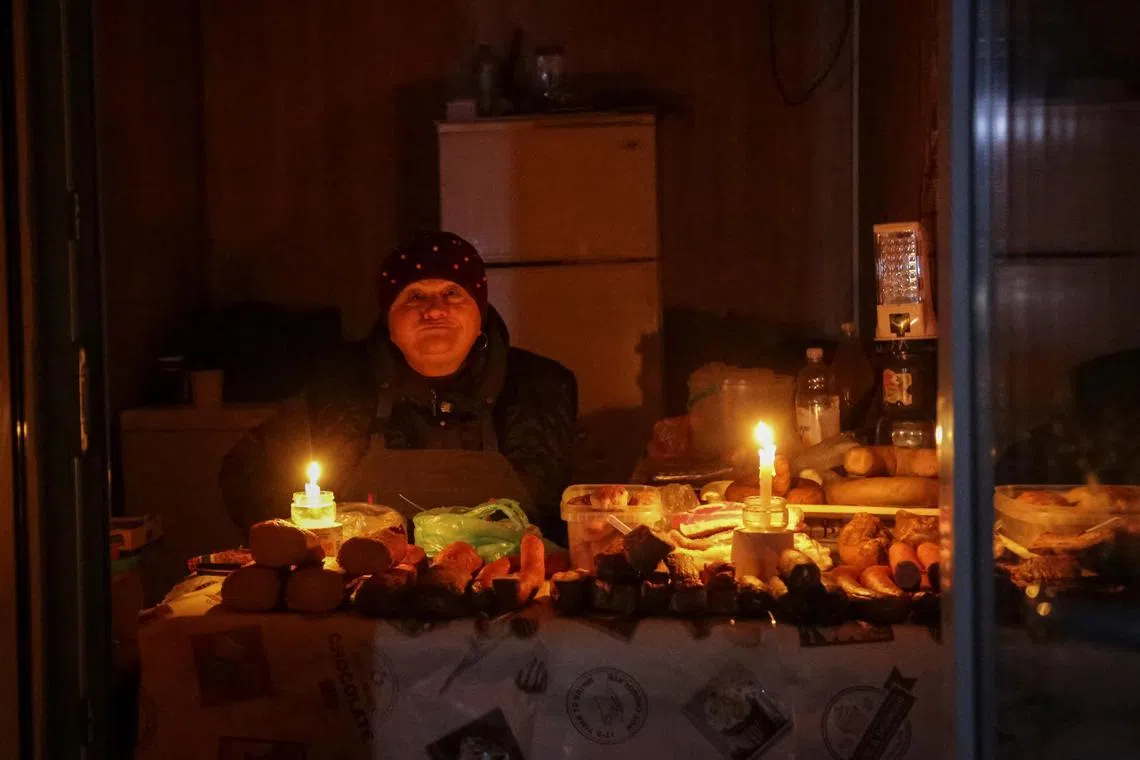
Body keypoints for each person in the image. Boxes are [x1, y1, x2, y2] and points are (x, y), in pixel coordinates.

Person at [220, 231, 577, 541]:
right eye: (415, 296)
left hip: (509, 592)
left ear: (479, 312)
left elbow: (579, 506)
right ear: (388, 319)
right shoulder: (338, 385)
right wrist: (293, 550)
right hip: (365, 592)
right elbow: (245, 473)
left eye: (453, 293)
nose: (435, 310)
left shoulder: (543, 388)